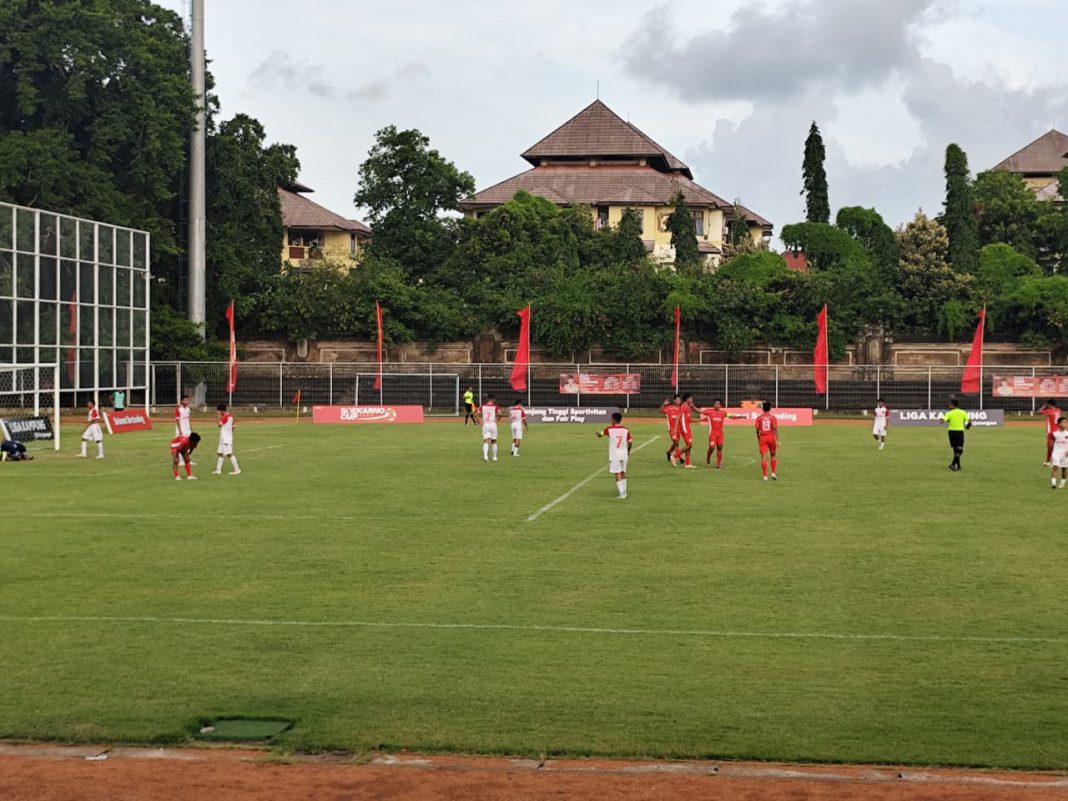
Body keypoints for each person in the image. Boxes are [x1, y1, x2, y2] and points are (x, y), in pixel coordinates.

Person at [596, 411, 632, 499]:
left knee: (617, 472)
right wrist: (628, 451)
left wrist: (597, 433)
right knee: (623, 472)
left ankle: (622, 493)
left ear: (613, 420)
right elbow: (630, 442)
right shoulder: (625, 430)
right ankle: (624, 490)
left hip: (615, 454)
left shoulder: (609, 429)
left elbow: (600, 435)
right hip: (624, 453)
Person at [701, 399, 743, 469]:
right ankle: (708, 458)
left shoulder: (723, 413)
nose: (717, 405)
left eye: (718, 404)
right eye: (715, 404)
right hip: (712, 434)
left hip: (720, 434)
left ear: (720, 405)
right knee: (711, 448)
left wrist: (740, 417)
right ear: (714, 405)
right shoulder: (709, 411)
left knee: (719, 448)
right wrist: (693, 407)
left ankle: (719, 464)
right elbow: (700, 411)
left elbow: (731, 416)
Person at [212, 404, 241, 476]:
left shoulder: (225, 417)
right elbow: (234, 426)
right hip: (225, 438)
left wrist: (219, 417)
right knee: (220, 453)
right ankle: (218, 470)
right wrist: (230, 432)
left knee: (229, 454)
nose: (218, 413)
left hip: (225, 439)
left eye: (218, 411)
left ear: (221, 411)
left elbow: (219, 424)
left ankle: (237, 469)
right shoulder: (230, 416)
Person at [754, 401, 779, 481]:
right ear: (770, 408)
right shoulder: (773, 418)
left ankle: (765, 476)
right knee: (773, 455)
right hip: (771, 437)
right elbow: (775, 429)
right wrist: (778, 440)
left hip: (763, 438)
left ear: (762, 409)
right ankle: (773, 473)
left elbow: (757, 429)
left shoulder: (759, 418)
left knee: (764, 457)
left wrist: (759, 438)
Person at [944, 398, 971, 471]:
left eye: (950, 404)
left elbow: (942, 420)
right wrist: (968, 426)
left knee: (956, 449)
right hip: (959, 432)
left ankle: (957, 465)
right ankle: (953, 464)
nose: (949, 405)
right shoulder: (963, 412)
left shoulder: (949, 413)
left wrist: (944, 420)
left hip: (951, 432)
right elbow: (969, 420)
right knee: (960, 450)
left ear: (953, 405)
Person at [475, 393, 500, 462]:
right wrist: (498, 420)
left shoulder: (483, 406)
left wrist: (479, 421)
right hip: (493, 424)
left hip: (486, 424)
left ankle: (486, 457)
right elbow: (500, 413)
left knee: (486, 440)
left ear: (487, 399)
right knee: (494, 441)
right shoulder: (495, 406)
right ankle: (494, 457)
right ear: (494, 400)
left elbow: (476, 414)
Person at [659, 395, 684, 466]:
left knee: (676, 443)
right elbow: (660, 410)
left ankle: (669, 452)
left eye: (679, 400)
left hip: (678, 429)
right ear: (674, 401)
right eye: (677, 400)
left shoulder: (681, 409)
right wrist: (664, 404)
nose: (678, 401)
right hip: (672, 429)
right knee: (676, 442)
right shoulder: (669, 408)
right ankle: (679, 457)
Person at [1048, 417, 1068, 489]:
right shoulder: (1054, 434)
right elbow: (1050, 444)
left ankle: (1062, 483)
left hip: (1065, 454)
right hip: (1056, 452)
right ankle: (1053, 483)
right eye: (1063, 422)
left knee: (1064, 469)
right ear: (1059, 424)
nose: (1065, 424)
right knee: (1055, 467)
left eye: (1066, 422)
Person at [174, 395, 194, 466]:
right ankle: (180, 461)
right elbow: (177, 420)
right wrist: (180, 431)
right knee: (181, 446)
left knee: (189, 445)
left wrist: (191, 429)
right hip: (181, 430)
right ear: (182, 401)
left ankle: (188, 459)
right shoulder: (178, 409)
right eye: (185, 400)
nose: (187, 402)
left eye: (187, 400)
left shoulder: (188, 409)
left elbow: (188, 419)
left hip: (187, 430)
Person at [1041, 399, 1062, 466]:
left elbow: (1038, 412)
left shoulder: (1048, 411)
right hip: (1058, 430)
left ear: (1049, 404)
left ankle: (1051, 462)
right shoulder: (1058, 410)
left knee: (1050, 447)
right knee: (1057, 447)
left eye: (1047, 404)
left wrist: (1044, 406)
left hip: (1051, 431)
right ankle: (1049, 462)